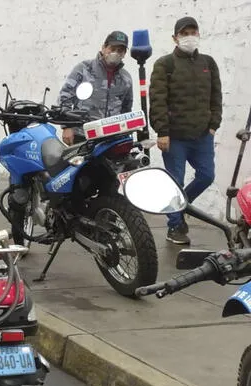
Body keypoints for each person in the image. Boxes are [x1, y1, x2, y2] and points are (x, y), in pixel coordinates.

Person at [149, 16, 222, 245]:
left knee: (207, 176)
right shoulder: (165, 65)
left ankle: (180, 208)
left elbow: (216, 97)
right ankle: (175, 227)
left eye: (193, 32)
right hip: (175, 138)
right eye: (184, 33)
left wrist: (213, 125)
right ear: (175, 37)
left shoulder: (208, 64)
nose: (189, 37)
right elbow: (157, 100)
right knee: (175, 181)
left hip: (202, 135)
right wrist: (162, 131)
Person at [57, 31, 134, 145]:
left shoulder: (125, 78)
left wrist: (126, 133)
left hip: (112, 138)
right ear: (103, 48)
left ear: (124, 54)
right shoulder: (84, 69)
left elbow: (126, 108)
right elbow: (65, 97)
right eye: (112, 48)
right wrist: (67, 126)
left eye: (120, 51)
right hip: (83, 134)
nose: (115, 53)